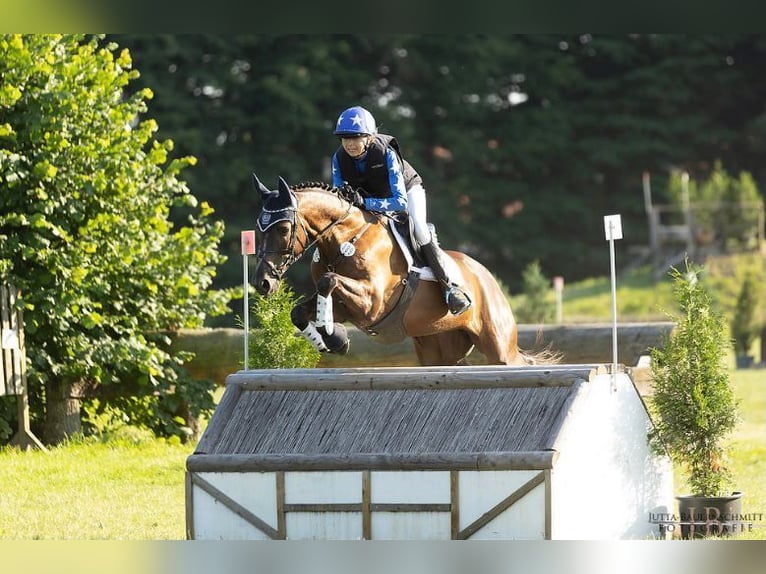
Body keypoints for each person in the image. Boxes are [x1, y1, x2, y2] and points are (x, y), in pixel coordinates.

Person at [331, 105, 471, 315]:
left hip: (406, 192)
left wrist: (365, 203)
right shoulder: (339, 158)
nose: (349, 144)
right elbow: (339, 199)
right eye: (345, 138)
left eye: (356, 137)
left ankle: (450, 288)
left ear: (369, 137)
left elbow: (400, 203)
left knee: (420, 230)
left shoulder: (386, 153)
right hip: (369, 199)